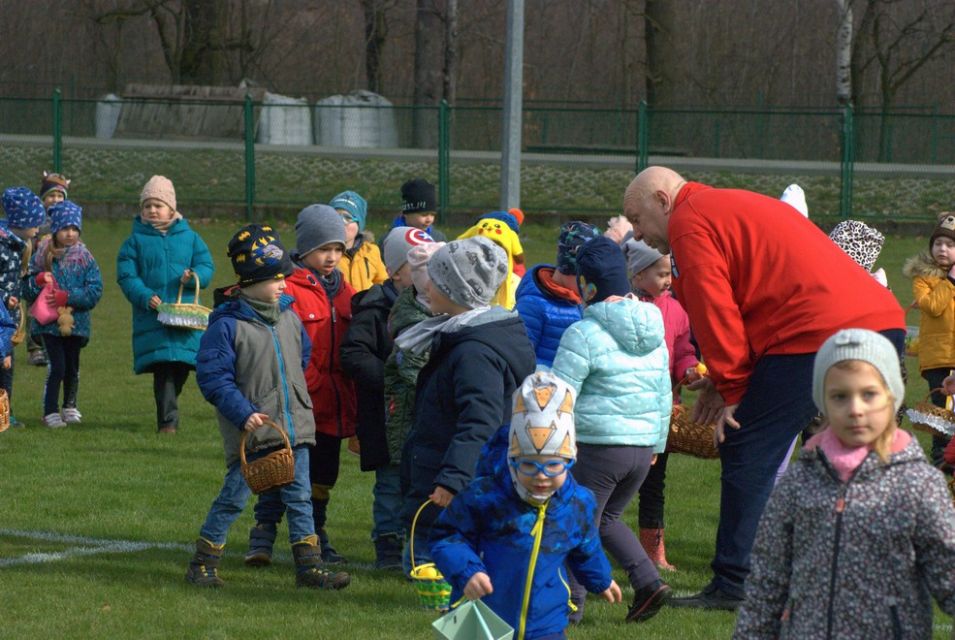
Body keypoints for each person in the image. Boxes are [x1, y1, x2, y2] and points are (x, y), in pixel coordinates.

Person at [622, 166, 906, 609]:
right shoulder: (726, 203)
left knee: (746, 442)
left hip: (821, 332)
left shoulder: (688, 220)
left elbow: (713, 306)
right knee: (851, 458)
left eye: (636, 219)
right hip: (880, 321)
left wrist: (734, 388)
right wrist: (723, 379)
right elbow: (764, 295)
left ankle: (736, 583)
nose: (638, 234)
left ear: (662, 200)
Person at [734, 329, 955, 638]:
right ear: (821, 402)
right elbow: (766, 583)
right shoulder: (799, 482)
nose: (855, 409)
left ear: (892, 397)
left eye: (869, 394)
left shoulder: (918, 484)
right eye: (840, 396)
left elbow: (948, 574)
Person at [188, 224, 350, 591]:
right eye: (275, 278)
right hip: (256, 434)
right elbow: (213, 379)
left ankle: (308, 565)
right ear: (249, 282)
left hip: (295, 428)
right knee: (234, 498)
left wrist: (297, 399)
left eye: (284, 278)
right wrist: (244, 412)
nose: (283, 285)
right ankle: (203, 562)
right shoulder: (227, 326)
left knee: (301, 498)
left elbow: (302, 359)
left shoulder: (290, 318)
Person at [430, 372, 622, 640]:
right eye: (529, 465)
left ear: (571, 459)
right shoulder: (485, 496)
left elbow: (585, 547)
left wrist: (601, 579)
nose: (541, 476)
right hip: (479, 615)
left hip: (545, 623)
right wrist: (467, 571)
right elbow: (447, 536)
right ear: (512, 461)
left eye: (553, 465)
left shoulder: (579, 503)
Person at [550, 236, 672, 624]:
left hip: (598, 448)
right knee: (603, 521)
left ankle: (570, 605)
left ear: (587, 285)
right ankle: (649, 582)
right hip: (640, 451)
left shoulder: (583, 334)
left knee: (575, 521)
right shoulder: (655, 330)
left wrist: (552, 445)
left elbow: (560, 396)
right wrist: (656, 444)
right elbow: (663, 392)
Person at [399, 236, 535, 571]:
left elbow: (481, 419)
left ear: (458, 290)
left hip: (457, 483)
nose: (426, 287)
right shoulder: (464, 334)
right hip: (449, 470)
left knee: (434, 564)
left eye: (436, 280)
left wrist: (452, 479)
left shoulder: (474, 351)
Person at [244, 205, 356, 567]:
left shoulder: (345, 290)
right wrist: (307, 383)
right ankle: (262, 536)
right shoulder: (288, 287)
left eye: (338, 249)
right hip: (297, 399)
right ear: (305, 248)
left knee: (323, 475)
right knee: (280, 469)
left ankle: (317, 535)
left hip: (333, 404)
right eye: (324, 249)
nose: (332, 257)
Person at [340, 226, 434, 570]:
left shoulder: (436, 309)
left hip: (422, 416)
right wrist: (390, 377)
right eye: (418, 268)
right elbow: (353, 354)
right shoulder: (374, 309)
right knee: (391, 485)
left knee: (420, 483)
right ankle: (388, 545)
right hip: (385, 417)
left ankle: (415, 545)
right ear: (396, 272)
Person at [624, 237, 700, 572]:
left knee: (655, 484)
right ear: (637, 275)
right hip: (627, 408)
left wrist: (689, 369)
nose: (668, 280)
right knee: (619, 481)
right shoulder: (624, 308)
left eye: (669, 273)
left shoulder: (677, 310)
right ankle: (594, 542)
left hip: (662, 411)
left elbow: (684, 349)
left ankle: (653, 551)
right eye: (660, 273)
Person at [116, 175, 214, 434]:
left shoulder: (191, 238)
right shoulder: (134, 242)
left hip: (184, 318)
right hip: (153, 317)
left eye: (157, 205)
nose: (152, 210)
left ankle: (168, 409)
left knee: (180, 367)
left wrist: (194, 277)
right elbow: (126, 275)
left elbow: (207, 266)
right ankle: (168, 422)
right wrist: (145, 296)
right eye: (147, 206)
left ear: (171, 208)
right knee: (164, 368)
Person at [22, 201, 103, 428]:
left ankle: (69, 405)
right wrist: (38, 281)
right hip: (49, 324)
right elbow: (26, 289)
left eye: (74, 228)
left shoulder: (85, 258)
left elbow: (95, 290)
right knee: (56, 366)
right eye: (65, 228)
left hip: (77, 323)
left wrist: (67, 297)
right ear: (55, 229)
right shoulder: (42, 255)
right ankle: (50, 410)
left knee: (72, 368)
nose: (70, 233)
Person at [903, 212, 955, 467]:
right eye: (938, 244)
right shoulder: (923, 277)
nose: (942, 249)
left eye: (950, 244)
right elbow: (933, 307)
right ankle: (941, 458)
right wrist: (950, 281)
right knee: (941, 410)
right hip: (937, 357)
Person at [514, 221, 600, 368]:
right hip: (543, 386)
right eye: (584, 278)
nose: (588, 286)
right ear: (569, 270)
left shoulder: (581, 301)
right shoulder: (532, 305)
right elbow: (518, 357)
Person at [0, 187, 45, 426]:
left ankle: (4, 417)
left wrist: (36, 283)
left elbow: (19, 281)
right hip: (1, 318)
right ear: (22, 222)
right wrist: (5, 299)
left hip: (8, 321)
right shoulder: (4, 247)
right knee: (3, 366)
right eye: (35, 224)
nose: (38, 229)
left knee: (7, 369)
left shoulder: (20, 247)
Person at [457, 216, 524, 309]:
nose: (491, 256)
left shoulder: (516, 285)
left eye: (498, 250)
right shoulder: (458, 279)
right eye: (482, 249)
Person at [330, 190, 387, 292]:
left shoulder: (371, 251)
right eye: (335, 217)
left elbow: (383, 282)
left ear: (359, 225)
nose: (341, 223)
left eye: (348, 218)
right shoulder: (326, 254)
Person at [380, 178, 446, 253]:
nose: (429, 219)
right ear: (406, 214)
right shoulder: (389, 239)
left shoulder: (438, 238)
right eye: (424, 215)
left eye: (432, 215)